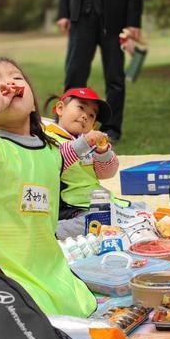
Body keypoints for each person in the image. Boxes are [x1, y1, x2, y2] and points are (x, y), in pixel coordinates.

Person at [0, 57, 99, 317]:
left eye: (17, 78)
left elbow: (62, 156)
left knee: (77, 310)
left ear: (32, 103)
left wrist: (87, 142)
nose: (8, 84)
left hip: (43, 266)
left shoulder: (48, 150)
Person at [57, 0, 143, 143]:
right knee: (74, 74)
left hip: (114, 21)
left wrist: (133, 21)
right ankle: (68, 126)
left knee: (114, 77)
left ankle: (112, 127)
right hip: (81, 17)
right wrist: (64, 12)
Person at [44, 87, 126, 239]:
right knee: (96, 223)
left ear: (93, 126)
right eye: (81, 107)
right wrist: (84, 143)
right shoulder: (46, 135)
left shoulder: (87, 142)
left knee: (135, 211)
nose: (84, 116)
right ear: (60, 108)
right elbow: (55, 162)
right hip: (67, 206)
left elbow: (107, 173)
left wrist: (103, 152)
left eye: (91, 115)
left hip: (93, 200)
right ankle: (49, 231)